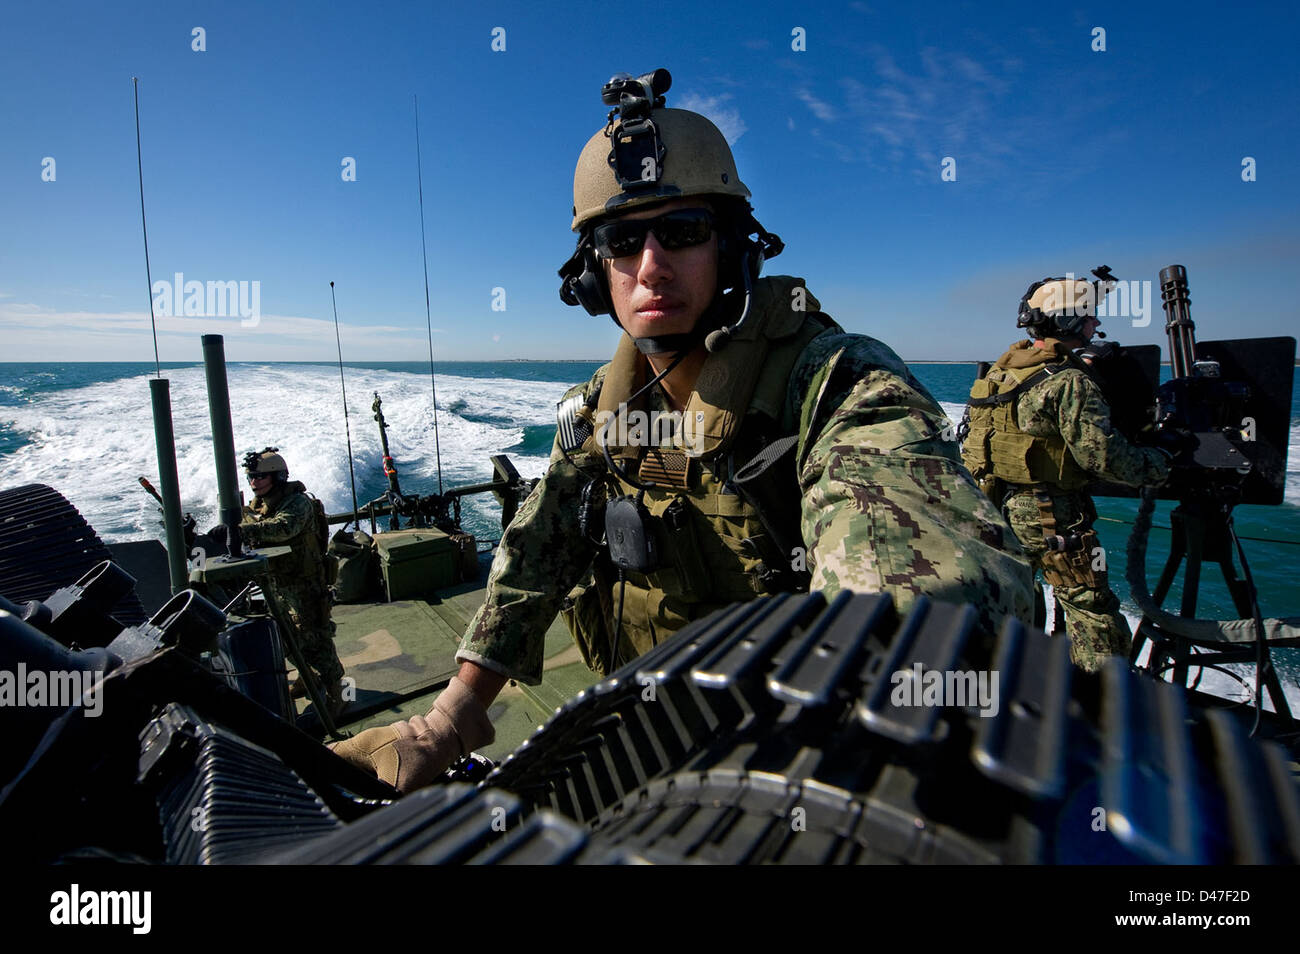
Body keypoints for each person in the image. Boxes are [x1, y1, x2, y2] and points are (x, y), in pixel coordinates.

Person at [333, 69, 1033, 792]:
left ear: (732, 248)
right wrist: (446, 721)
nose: (651, 265)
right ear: (590, 275)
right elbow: (537, 549)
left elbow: (917, 593)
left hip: (786, 766)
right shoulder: (604, 408)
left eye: (683, 232)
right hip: (639, 735)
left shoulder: (835, 386)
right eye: (621, 240)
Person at [961, 272, 1172, 672]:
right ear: (1069, 321)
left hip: (991, 505)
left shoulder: (1002, 372)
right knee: (1090, 604)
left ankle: (1021, 677)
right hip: (1050, 514)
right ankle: (1108, 705)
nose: (1095, 325)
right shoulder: (1069, 382)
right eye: (1089, 317)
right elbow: (1104, 458)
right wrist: (1161, 463)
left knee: (1015, 596)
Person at [237, 448, 346, 716]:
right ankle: (308, 677)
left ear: (278, 476)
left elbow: (283, 528)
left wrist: (241, 530)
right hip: (279, 585)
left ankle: (341, 694)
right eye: (251, 476)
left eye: (261, 477)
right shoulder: (260, 504)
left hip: (305, 585)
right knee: (286, 638)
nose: (254, 482)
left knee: (317, 642)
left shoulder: (297, 503)